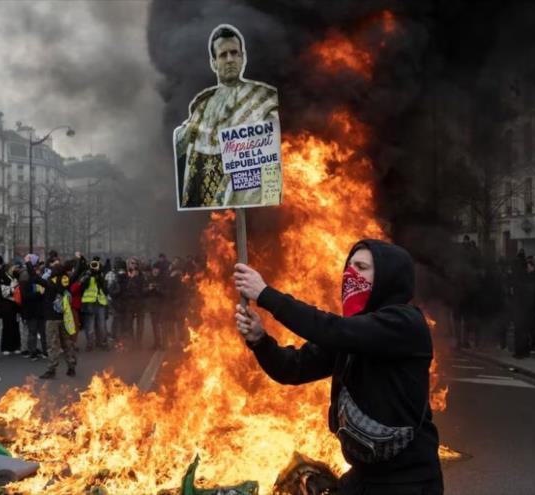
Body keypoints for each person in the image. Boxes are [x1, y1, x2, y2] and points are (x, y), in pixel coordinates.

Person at [234, 240, 442, 494]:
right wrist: (260, 341)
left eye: (361, 266)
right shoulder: (351, 333)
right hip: (363, 477)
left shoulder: (405, 323)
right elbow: (292, 368)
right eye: (349, 266)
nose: (350, 273)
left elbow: (332, 330)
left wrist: (265, 294)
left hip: (407, 482)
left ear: (389, 276)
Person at [174, 24, 279, 208]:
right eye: (223, 55)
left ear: (242, 57)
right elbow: (181, 146)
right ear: (213, 63)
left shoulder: (265, 98)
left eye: (234, 53)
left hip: (250, 197)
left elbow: (273, 151)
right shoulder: (201, 105)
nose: (230, 59)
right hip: (208, 205)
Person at [37, 255, 78, 379]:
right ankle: (71, 367)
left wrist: (28, 264)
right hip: (63, 316)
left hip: (51, 318)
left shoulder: (49, 282)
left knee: (53, 344)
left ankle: (52, 369)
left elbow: (34, 279)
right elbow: (76, 273)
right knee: (67, 342)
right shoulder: (67, 280)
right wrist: (78, 259)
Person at [80, 258, 109, 351]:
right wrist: (88, 275)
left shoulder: (100, 275)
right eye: (93, 265)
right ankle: (90, 344)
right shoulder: (86, 274)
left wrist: (99, 276)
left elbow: (105, 289)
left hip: (100, 302)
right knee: (90, 326)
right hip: (89, 302)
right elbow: (82, 286)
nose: (94, 267)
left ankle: (103, 343)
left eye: (96, 265)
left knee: (102, 325)